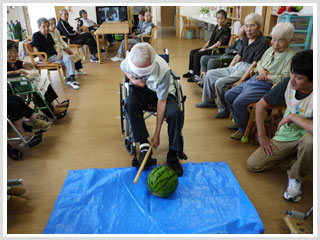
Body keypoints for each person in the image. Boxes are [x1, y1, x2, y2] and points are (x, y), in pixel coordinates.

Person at [247, 50, 313, 203]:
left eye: (299, 78)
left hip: (307, 136)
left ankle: (296, 177)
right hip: (288, 134)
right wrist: (262, 136)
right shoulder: (287, 83)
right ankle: (300, 160)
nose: (293, 80)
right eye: (292, 74)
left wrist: (292, 116)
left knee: (310, 142)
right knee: (253, 164)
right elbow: (260, 106)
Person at [120, 43, 185, 176]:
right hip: (140, 89)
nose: (143, 76)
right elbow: (123, 68)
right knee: (129, 104)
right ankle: (144, 145)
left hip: (162, 94)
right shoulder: (130, 59)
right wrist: (134, 80)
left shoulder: (163, 70)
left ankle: (173, 153)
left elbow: (162, 102)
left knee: (175, 113)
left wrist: (157, 134)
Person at [225, 22, 295, 140]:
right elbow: (259, 64)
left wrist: (267, 77)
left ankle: (244, 129)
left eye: (281, 41)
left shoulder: (290, 56)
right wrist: (261, 70)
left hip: (268, 86)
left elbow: (286, 79)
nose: (276, 44)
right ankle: (242, 121)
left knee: (239, 102)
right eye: (274, 39)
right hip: (255, 79)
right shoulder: (269, 50)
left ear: (289, 41)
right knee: (229, 95)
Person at [196, 13, 270, 119]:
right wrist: (228, 68)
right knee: (211, 74)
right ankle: (208, 101)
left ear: (259, 27)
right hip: (238, 66)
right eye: (246, 26)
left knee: (220, 83)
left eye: (252, 26)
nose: (248, 29)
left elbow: (255, 64)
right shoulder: (246, 39)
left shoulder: (263, 42)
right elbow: (238, 56)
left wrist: (241, 80)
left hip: (248, 69)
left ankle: (224, 110)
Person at [7, 40, 68, 117]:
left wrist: (26, 64)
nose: (13, 55)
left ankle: (54, 105)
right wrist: (16, 72)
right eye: (10, 52)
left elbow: (21, 63)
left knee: (43, 80)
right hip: (13, 87)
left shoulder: (15, 62)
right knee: (36, 89)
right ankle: (50, 111)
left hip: (22, 84)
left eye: (15, 52)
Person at [182, 10, 231, 82]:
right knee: (192, 52)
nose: (219, 20)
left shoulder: (226, 29)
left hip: (217, 49)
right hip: (210, 47)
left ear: (225, 19)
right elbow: (209, 41)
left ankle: (196, 76)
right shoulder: (216, 27)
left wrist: (206, 50)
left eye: (222, 18)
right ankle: (191, 72)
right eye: (218, 18)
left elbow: (218, 43)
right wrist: (203, 48)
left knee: (197, 55)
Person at [32, 18, 79, 90]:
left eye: (47, 26)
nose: (46, 28)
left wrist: (59, 52)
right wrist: (44, 60)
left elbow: (55, 46)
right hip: (47, 57)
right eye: (44, 27)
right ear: (39, 27)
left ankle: (70, 79)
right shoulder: (36, 35)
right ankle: (72, 80)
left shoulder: (49, 35)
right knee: (68, 59)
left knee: (69, 58)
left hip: (55, 56)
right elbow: (35, 51)